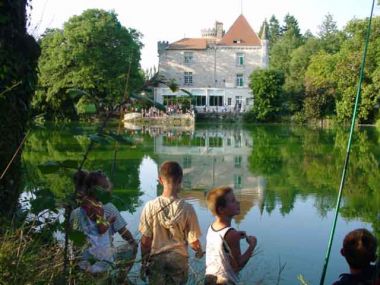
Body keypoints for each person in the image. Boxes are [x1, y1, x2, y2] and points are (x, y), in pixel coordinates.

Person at [139, 161, 203, 284]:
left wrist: (143, 263)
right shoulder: (187, 208)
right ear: (180, 180)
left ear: (160, 180)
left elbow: (146, 241)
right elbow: (193, 241)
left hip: (157, 260)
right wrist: (199, 251)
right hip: (178, 261)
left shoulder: (150, 207)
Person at [70, 170, 137, 275]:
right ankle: (121, 278)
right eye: (107, 188)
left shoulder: (75, 212)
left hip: (83, 263)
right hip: (102, 261)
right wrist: (110, 221)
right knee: (132, 246)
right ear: (99, 191)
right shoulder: (103, 208)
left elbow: (74, 243)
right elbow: (110, 230)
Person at [205, 186, 257, 285]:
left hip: (209, 279)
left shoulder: (211, 228)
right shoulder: (231, 234)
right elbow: (238, 266)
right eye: (233, 201)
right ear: (221, 209)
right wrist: (252, 246)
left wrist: (235, 236)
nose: (238, 202)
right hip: (224, 281)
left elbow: (221, 246)